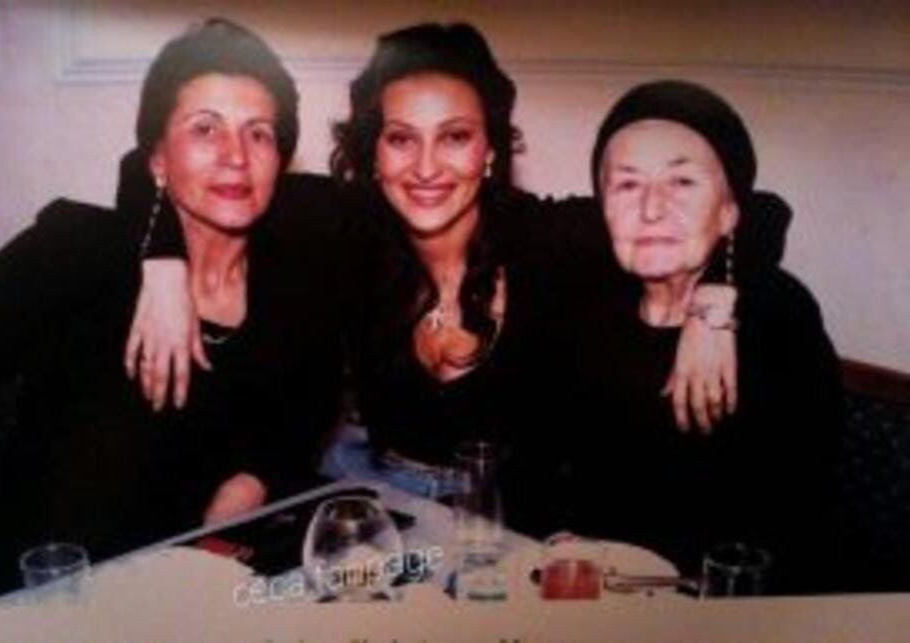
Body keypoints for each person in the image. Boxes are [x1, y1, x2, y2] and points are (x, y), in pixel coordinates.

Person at [126, 23, 788, 493]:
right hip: (367, 500)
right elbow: (150, 166)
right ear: (372, 153)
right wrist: (163, 266)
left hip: (506, 526)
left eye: (455, 137)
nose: (425, 168)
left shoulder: (548, 236)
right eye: (400, 139)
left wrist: (714, 300)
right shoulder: (344, 224)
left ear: (491, 150)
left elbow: (755, 209)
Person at [0, 18, 344, 601]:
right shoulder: (78, 248)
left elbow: (312, 399)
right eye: (205, 128)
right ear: (156, 158)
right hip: (47, 589)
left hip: (205, 595)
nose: (236, 156)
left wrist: (256, 477)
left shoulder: (297, 273)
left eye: (259, 134)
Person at [524, 80, 845, 594]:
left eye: (683, 182)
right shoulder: (583, 306)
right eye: (627, 185)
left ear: (729, 211)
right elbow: (538, 459)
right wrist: (555, 535)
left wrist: (713, 301)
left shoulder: (776, 316)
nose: (652, 209)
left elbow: (796, 520)